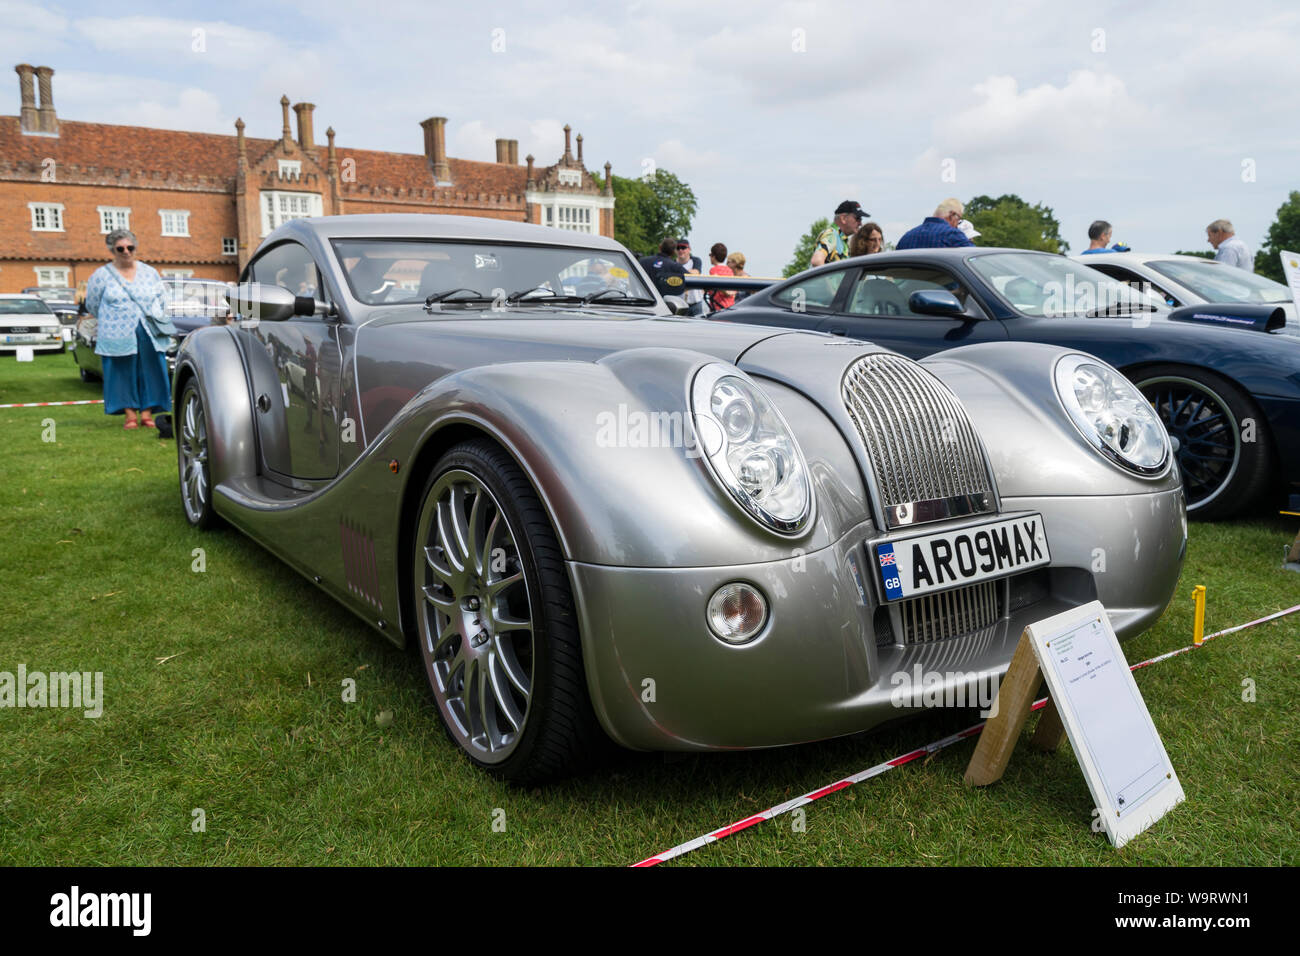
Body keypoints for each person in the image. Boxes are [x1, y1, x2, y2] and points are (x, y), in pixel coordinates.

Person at [83, 229, 172, 430]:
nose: (126, 251)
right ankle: (130, 414)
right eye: (120, 248)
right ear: (112, 250)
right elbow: (93, 304)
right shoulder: (101, 275)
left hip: (148, 330)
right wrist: (112, 316)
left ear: (135, 248)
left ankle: (147, 413)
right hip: (116, 331)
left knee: (151, 370)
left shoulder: (150, 273)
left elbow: (162, 299)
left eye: (130, 247)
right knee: (120, 372)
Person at [895, 198, 974, 250]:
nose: (957, 226)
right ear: (952, 215)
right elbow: (973, 258)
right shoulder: (952, 234)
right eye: (959, 219)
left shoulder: (906, 237)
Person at [810, 200, 868, 267]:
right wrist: (828, 278)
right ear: (843, 218)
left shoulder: (841, 239)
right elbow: (817, 261)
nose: (860, 223)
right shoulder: (831, 234)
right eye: (858, 218)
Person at [675, 240, 705, 315]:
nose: (680, 250)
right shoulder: (672, 263)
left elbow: (696, 272)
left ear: (689, 249)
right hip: (680, 305)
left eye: (683, 247)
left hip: (696, 304)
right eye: (678, 248)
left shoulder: (695, 260)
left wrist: (679, 274)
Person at [706, 242, 735, 311]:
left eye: (710, 255)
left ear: (714, 256)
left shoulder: (713, 270)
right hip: (730, 306)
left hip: (718, 307)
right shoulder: (730, 270)